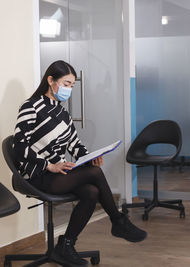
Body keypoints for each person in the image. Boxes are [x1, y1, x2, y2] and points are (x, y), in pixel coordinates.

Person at [13, 60, 147, 267]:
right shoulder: (31, 107)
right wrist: (49, 165)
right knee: (93, 174)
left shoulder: (62, 112)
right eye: (66, 84)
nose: (68, 89)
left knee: (91, 192)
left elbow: (75, 144)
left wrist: (89, 156)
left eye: (72, 86)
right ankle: (118, 221)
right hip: (36, 174)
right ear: (51, 80)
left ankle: (65, 246)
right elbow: (19, 148)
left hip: (58, 174)